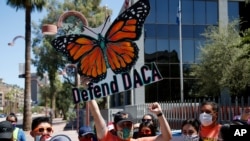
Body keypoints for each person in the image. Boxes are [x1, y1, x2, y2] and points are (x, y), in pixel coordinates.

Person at [88, 99, 172, 141]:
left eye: (128, 124)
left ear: (133, 125)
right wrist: (89, 91)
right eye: (122, 125)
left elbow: (166, 137)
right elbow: (96, 114)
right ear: (115, 126)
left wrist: (159, 114)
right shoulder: (108, 138)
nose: (126, 128)